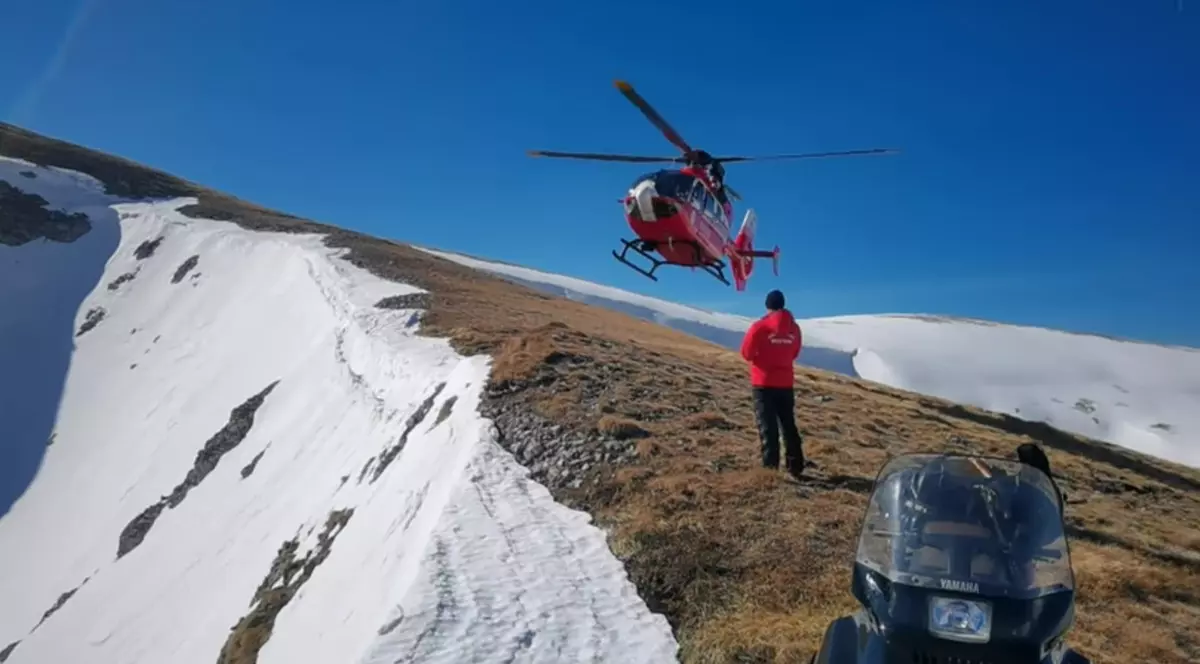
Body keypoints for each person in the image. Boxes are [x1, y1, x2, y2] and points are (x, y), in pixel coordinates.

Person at [740, 289, 805, 478]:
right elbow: (795, 353)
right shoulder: (795, 329)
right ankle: (795, 465)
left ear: (767, 306)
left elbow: (746, 353)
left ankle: (770, 469)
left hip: (763, 383)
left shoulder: (760, 327)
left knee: (768, 427)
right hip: (786, 384)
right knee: (788, 424)